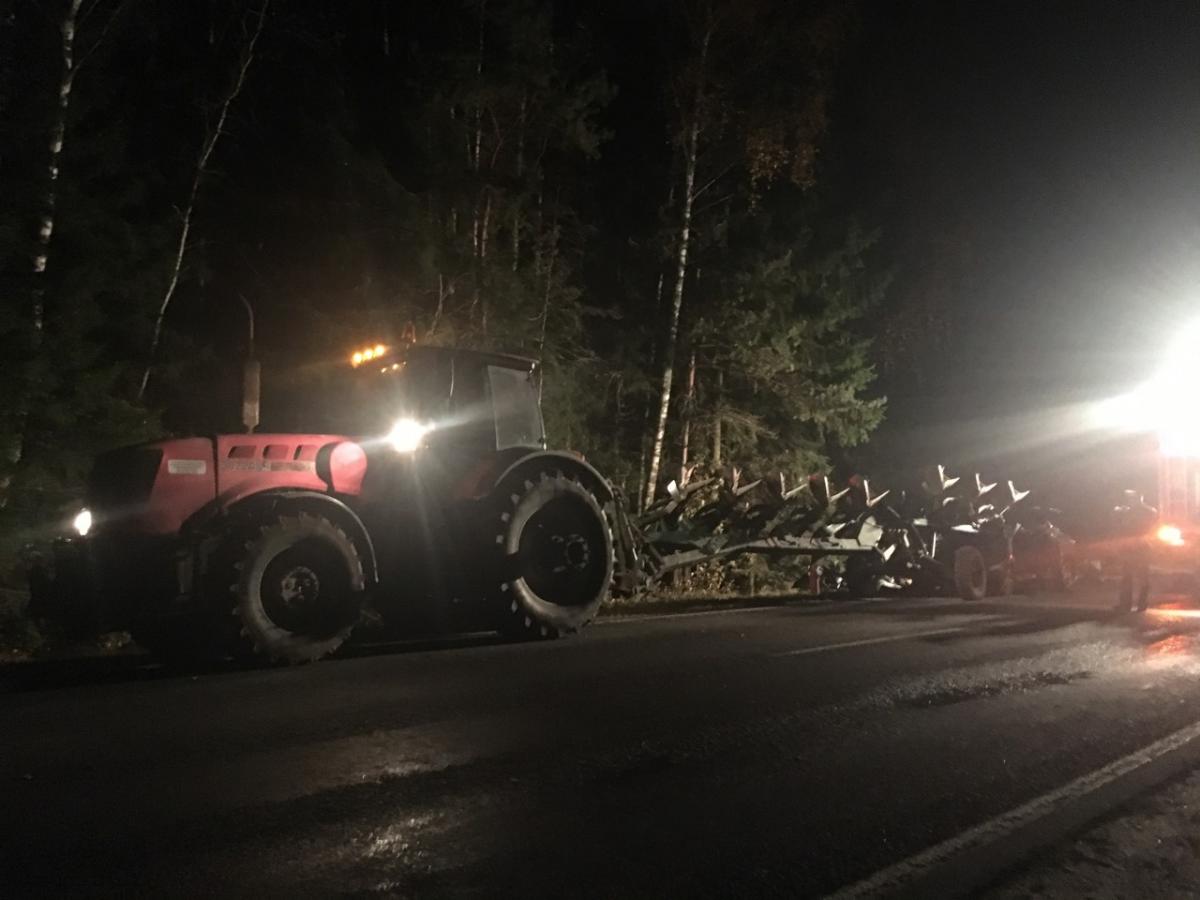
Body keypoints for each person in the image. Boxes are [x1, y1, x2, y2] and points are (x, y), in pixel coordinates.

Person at [1113, 490, 1156, 612]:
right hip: (1137, 547)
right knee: (1133, 576)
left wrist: (1123, 515)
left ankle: (1131, 604)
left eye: (1131, 498)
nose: (1129, 500)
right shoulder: (1148, 511)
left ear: (1139, 498)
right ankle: (1135, 604)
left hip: (1138, 547)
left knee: (1136, 576)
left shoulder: (1139, 512)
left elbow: (1126, 527)